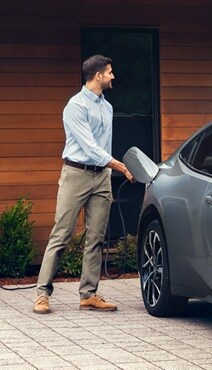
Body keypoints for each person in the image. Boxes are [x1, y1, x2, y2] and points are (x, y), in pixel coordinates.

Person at [33, 55, 135, 314]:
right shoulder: (75, 106)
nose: (113, 76)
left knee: (97, 237)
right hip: (76, 174)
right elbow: (89, 146)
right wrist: (119, 165)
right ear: (98, 75)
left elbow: (103, 146)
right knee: (62, 235)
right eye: (110, 72)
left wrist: (109, 168)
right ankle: (42, 294)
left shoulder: (107, 107)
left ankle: (88, 294)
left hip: (101, 177)